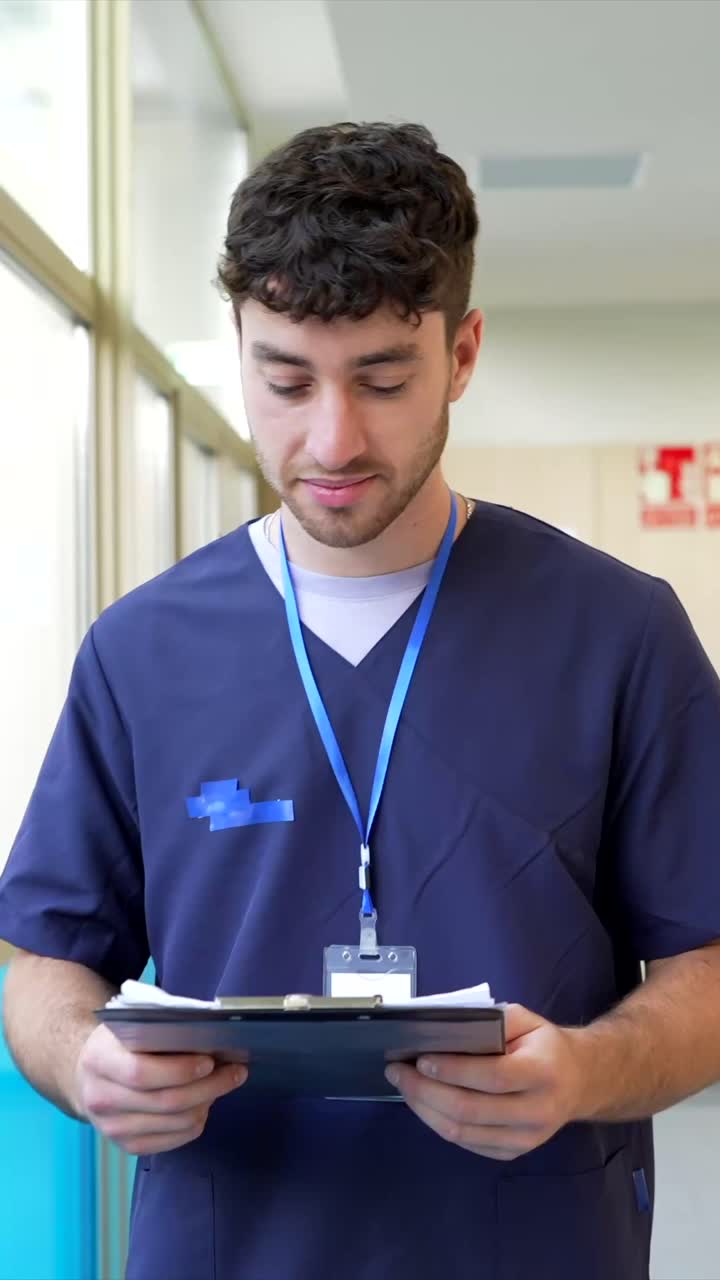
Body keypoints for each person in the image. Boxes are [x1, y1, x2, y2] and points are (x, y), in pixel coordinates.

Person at [1, 120, 720, 1280]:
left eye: (383, 378)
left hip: (528, 1242)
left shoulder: (619, 635)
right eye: (285, 380)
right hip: (231, 1244)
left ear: (465, 351)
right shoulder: (140, 652)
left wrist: (583, 1070)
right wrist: (86, 1062)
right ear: (238, 346)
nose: (332, 436)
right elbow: (46, 962)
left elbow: (708, 970)